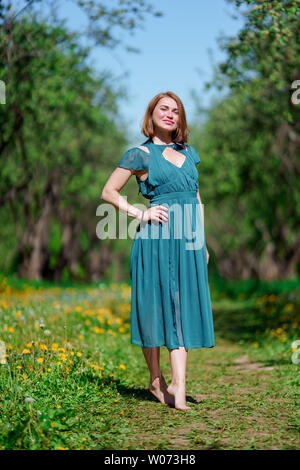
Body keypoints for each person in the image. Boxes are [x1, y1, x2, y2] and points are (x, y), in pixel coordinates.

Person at [101, 91, 215, 411]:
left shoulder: (189, 152)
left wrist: (201, 241)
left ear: (180, 119)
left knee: (182, 305)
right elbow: (108, 192)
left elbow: (197, 199)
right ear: (151, 114)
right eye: (163, 109)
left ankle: (179, 385)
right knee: (154, 307)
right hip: (156, 238)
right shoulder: (140, 154)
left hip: (187, 239)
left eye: (176, 111)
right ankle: (156, 380)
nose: (170, 114)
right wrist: (142, 213)